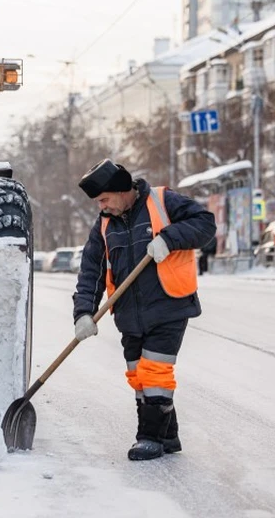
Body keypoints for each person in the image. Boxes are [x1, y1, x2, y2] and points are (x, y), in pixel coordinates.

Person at [71, 159, 216, 461]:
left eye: (104, 199)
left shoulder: (163, 201)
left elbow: (205, 224)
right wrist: (83, 313)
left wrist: (168, 238)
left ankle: (149, 438)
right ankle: (168, 435)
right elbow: (90, 272)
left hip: (169, 305)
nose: (102, 206)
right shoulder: (104, 225)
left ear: (122, 191)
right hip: (128, 314)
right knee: (137, 375)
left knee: (155, 372)